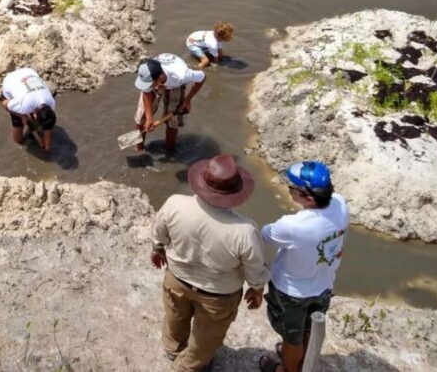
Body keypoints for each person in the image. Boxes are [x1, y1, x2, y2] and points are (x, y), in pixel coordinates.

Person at [151, 155, 269, 372]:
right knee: (206, 337)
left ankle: (173, 348)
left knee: (176, 315)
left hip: (177, 279)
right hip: (218, 296)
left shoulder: (175, 203)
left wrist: (157, 249)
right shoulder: (244, 230)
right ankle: (187, 366)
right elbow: (254, 266)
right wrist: (257, 289)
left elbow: (159, 232)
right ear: (235, 193)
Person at [259, 162, 348, 372]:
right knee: (308, 330)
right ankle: (301, 359)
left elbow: (265, 234)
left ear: (308, 198)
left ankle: (288, 369)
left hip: (292, 292)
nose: (288, 190)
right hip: (324, 284)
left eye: (292, 188)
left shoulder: (292, 226)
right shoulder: (340, 203)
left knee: (292, 339)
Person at [133, 53, 205, 153]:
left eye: (148, 84)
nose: (145, 86)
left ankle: (169, 150)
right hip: (159, 78)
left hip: (176, 85)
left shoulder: (182, 75)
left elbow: (202, 77)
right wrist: (149, 118)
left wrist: (187, 100)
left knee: (173, 121)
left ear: (159, 78)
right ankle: (139, 149)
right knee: (142, 118)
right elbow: (146, 92)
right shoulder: (147, 73)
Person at [1, 67, 58, 153]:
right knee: (18, 137)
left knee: (36, 121)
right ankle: (25, 131)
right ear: (34, 115)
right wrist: (21, 115)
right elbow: (4, 104)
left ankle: (32, 128)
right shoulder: (23, 107)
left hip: (28, 72)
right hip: (10, 81)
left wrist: (47, 145)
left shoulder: (51, 103)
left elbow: (48, 127)